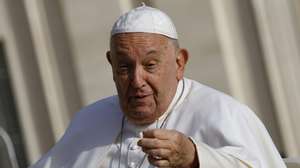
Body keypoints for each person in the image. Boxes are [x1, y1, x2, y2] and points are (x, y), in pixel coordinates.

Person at [31, 4, 286, 168]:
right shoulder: (90, 120)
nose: (137, 80)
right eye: (124, 67)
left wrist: (195, 157)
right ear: (111, 65)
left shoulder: (223, 113)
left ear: (179, 62)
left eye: (150, 65)